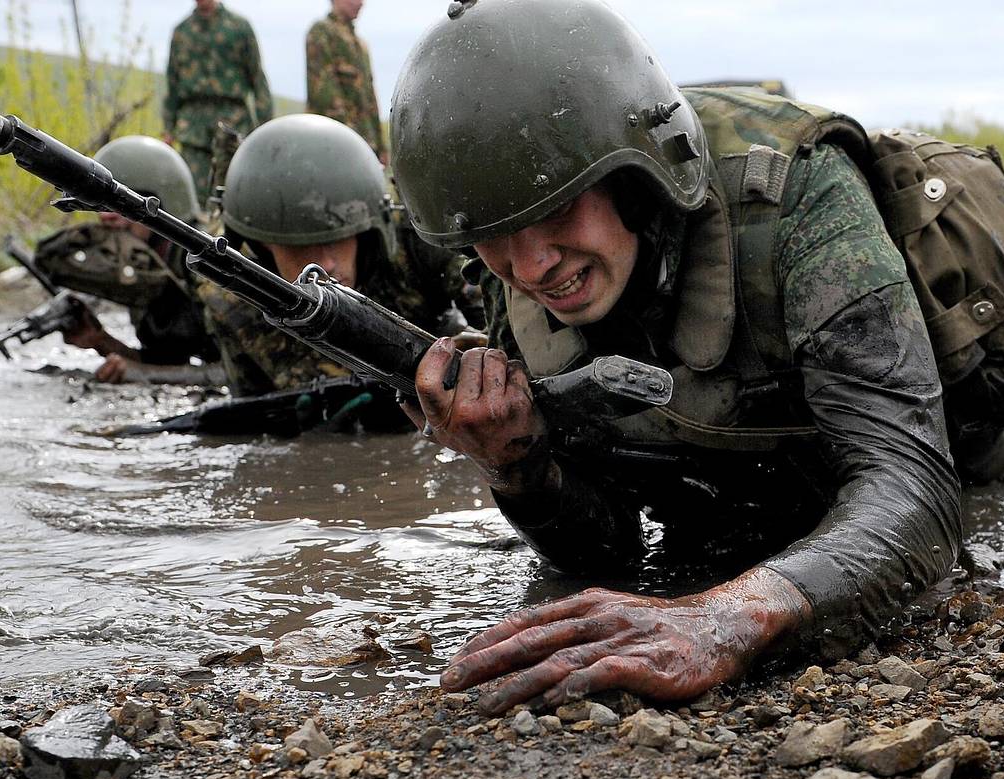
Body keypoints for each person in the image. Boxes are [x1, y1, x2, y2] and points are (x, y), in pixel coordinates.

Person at [389, 0, 964, 715]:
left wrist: (733, 616)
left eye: (560, 210)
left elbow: (915, 488)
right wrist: (518, 467)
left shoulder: (799, 193)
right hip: (740, 497)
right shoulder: (517, 284)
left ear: (635, 179)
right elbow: (608, 555)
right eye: (496, 238)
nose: (530, 266)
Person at [203, 113, 480, 403]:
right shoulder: (235, 301)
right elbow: (253, 413)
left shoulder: (418, 243)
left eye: (336, 241)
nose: (326, 264)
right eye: (301, 247)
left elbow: (502, 334)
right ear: (261, 245)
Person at [35, 135, 221, 383]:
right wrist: (101, 342)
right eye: (100, 205)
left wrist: (142, 374)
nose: (105, 216)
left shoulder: (209, 259)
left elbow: (242, 374)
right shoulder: (145, 264)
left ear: (161, 204)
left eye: (119, 204)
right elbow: (167, 363)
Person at [164, 0, 273, 203]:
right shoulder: (182, 31)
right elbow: (172, 83)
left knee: (232, 195)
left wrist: (264, 130)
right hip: (193, 129)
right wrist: (168, 130)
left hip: (232, 127)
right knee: (191, 198)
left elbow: (257, 79)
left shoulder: (239, 27)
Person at [305, 0, 386, 164]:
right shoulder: (322, 32)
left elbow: (370, 96)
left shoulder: (360, 44)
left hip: (365, 146)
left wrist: (381, 145)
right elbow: (323, 94)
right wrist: (348, 138)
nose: (361, 3)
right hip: (333, 144)